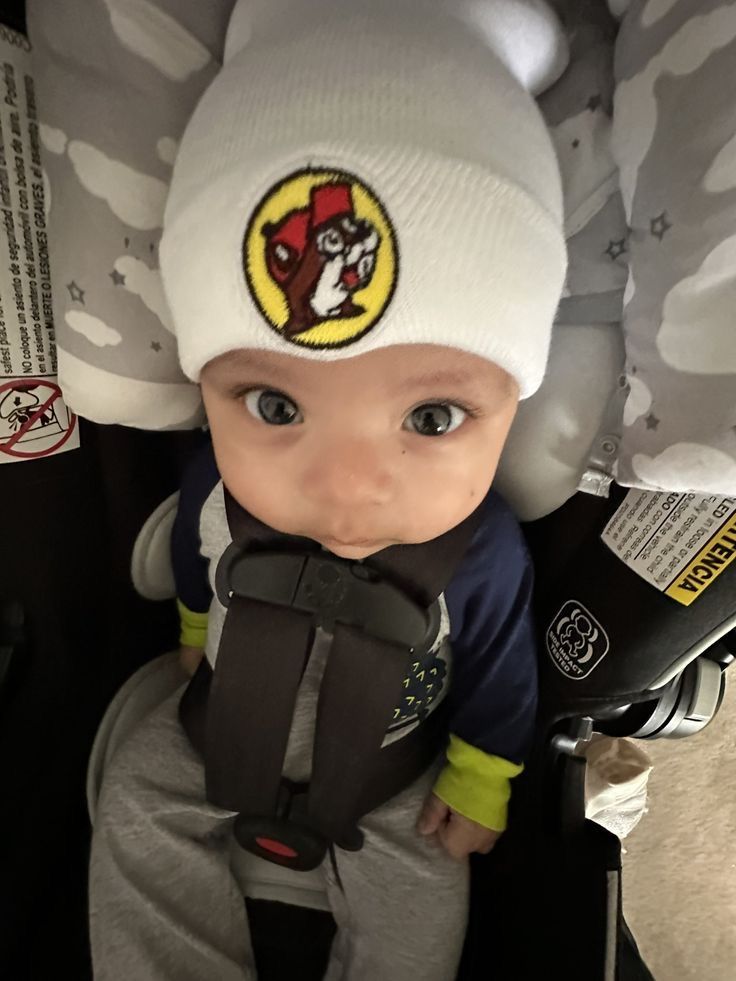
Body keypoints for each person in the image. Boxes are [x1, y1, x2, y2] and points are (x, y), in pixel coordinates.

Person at [88, 1, 567, 978]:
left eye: (430, 420)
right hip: (215, 727)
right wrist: (190, 642)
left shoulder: (481, 554)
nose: (347, 489)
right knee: (132, 808)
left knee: (426, 896)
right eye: (272, 404)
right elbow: (194, 558)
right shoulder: (215, 491)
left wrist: (481, 782)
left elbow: (502, 675)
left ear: (513, 403)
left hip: (398, 778)